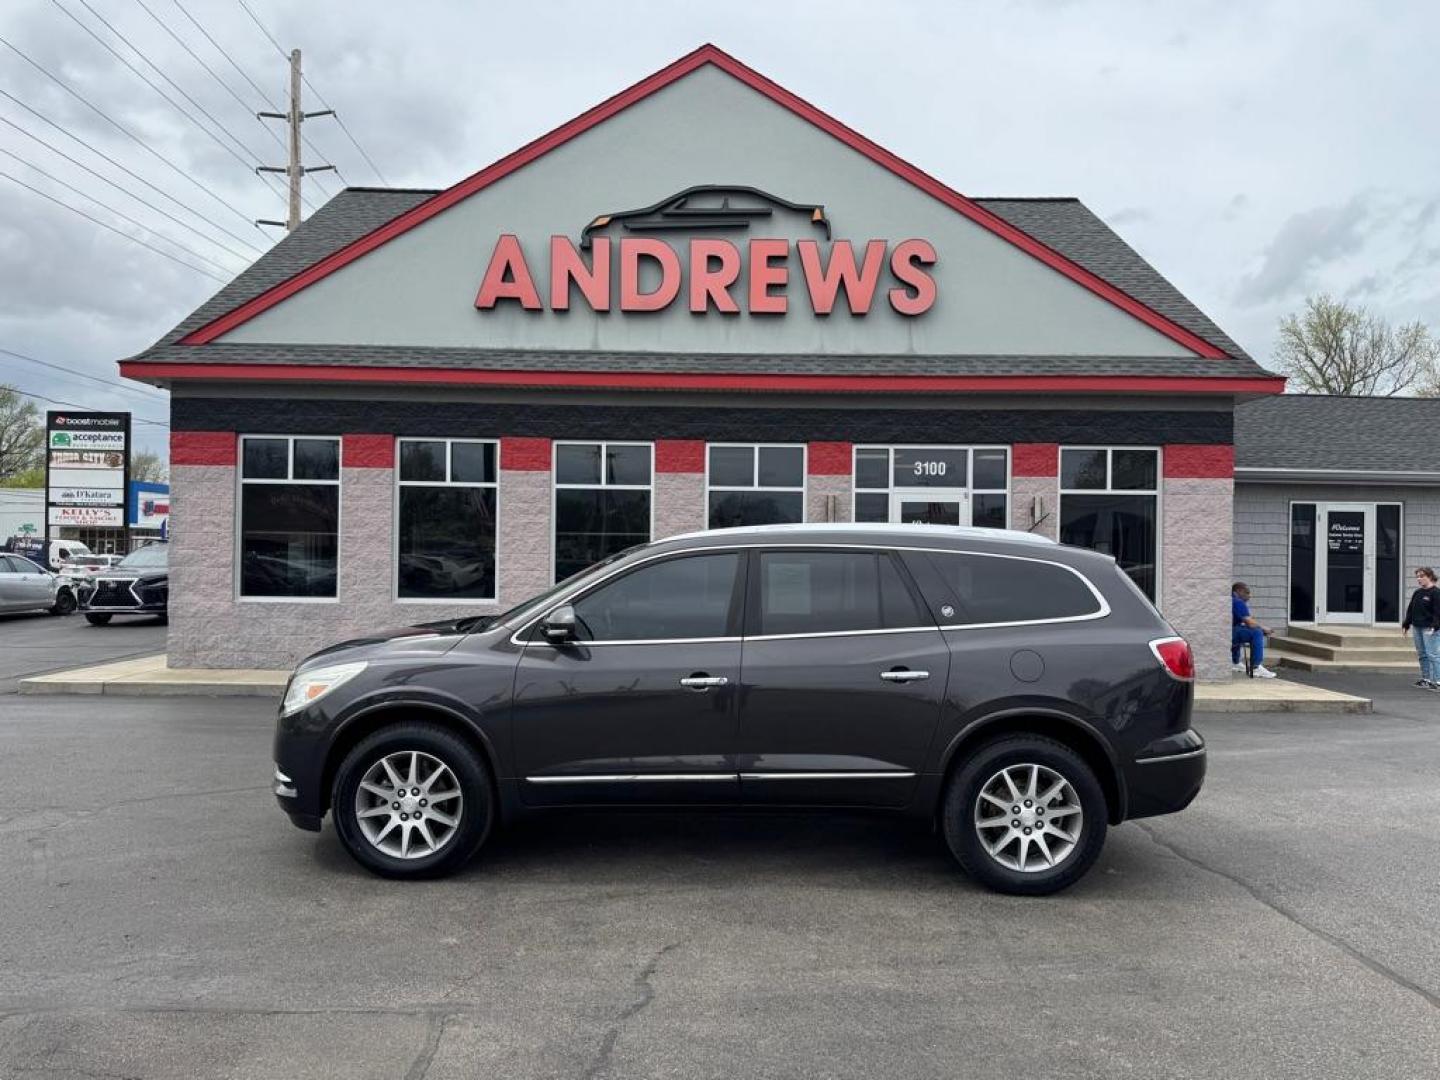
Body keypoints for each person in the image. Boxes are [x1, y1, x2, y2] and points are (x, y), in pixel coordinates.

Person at [1401, 567, 1440, 690]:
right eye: (1417, 576)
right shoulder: (1417, 593)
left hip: (1429, 628)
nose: (1419, 579)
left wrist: (1434, 627)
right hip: (1417, 627)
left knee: (1432, 655)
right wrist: (1406, 625)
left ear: (1429, 576)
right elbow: (1411, 609)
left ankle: (1437, 681)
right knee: (1422, 654)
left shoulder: (1436, 593)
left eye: (1421, 576)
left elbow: (1438, 613)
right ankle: (1426, 679)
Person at [1231, 582, 1277, 679]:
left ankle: (1234, 662)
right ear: (1238, 591)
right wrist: (1263, 628)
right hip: (1228, 634)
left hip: (1224, 632)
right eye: (1247, 592)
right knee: (1256, 632)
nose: (1250, 596)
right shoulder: (1238, 602)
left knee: (1241, 627)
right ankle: (1256, 667)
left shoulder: (1230, 599)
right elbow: (1250, 623)